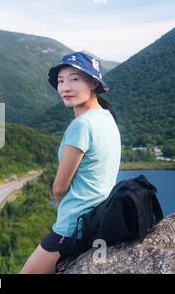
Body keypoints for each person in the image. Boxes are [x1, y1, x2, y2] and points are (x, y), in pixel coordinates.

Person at [20, 51, 121, 274]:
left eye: (74, 79)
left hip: (73, 225)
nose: (65, 87)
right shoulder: (107, 117)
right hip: (99, 219)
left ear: (93, 82)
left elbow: (59, 187)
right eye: (61, 81)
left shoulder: (81, 125)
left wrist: (61, 212)